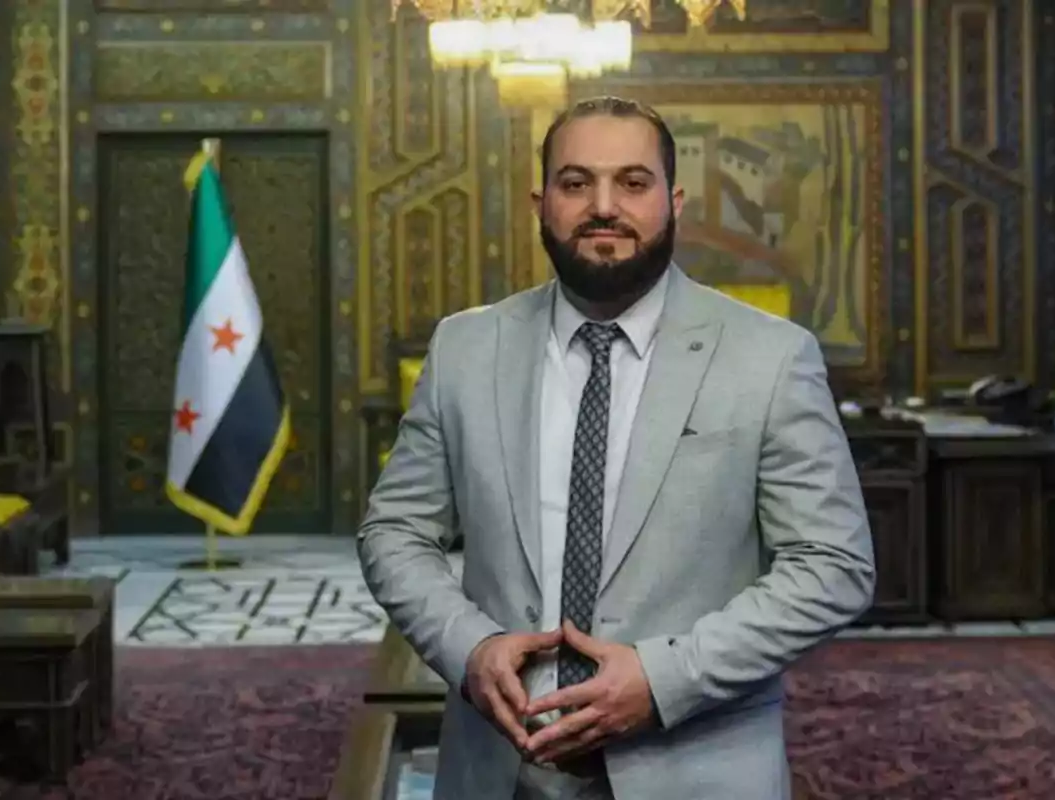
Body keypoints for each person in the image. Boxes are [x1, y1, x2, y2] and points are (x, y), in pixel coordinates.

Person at [357, 95, 876, 800]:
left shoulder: (772, 358)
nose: (605, 206)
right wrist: (469, 647)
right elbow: (395, 530)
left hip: (698, 767)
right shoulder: (465, 348)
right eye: (576, 183)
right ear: (541, 203)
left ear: (675, 200)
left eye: (633, 182)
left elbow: (834, 565)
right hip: (499, 770)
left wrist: (664, 680)